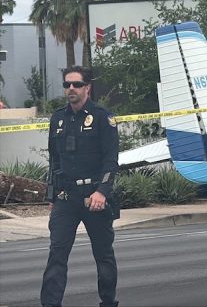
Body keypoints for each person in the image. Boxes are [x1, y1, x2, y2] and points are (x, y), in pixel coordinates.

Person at [41, 66, 120, 307]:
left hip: (93, 196)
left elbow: (111, 160)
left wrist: (102, 192)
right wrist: (52, 193)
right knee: (57, 253)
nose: (71, 89)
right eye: (67, 85)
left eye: (76, 84)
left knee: (103, 255)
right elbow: (55, 159)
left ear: (87, 87)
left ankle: (108, 302)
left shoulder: (102, 117)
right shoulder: (58, 118)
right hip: (66, 197)